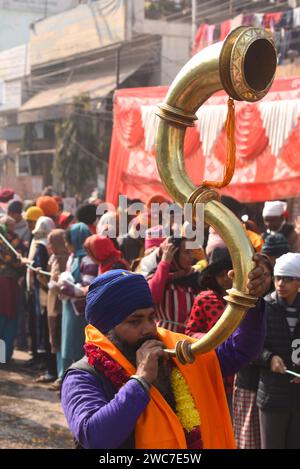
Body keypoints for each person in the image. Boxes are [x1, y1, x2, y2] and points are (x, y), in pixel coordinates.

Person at [61, 257, 269, 449]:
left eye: (151, 317)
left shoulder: (173, 349)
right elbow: (95, 437)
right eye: (135, 321)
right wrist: (141, 380)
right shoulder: (83, 375)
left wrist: (251, 301)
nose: (149, 329)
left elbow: (239, 351)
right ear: (105, 329)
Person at [256, 252, 300, 449]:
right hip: (272, 396)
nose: (281, 283)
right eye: (278, 278)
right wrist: (269, 358)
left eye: (288, 279)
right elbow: (248, 347)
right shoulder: (263, 307)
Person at [233, 254, 274, 449]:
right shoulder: (239, 304)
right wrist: (269, 358)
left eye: (265, 274)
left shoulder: (280, 305)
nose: (260, 279)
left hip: (277, 389)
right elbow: (242, 345)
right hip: (249, 383)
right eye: (257, 273)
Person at [58, 223, 98, 378]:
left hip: (81, 310)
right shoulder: (73, 257)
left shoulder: (89, 259)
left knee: (78, 345)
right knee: (68, 344)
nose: (67, 247)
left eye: (68, 243)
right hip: (69, 307)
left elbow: (89, 286)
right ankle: (66, 377)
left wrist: (68, 288)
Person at [0, 216, 26, 362]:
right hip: (7, 284)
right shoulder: (10, 244)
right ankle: (3, 356)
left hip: (8, 284)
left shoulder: (12, 241)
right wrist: (23, 261)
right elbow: (16, 261)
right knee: (7, 320)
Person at [47, 229, 69, 390]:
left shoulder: (66, 259)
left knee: (62, 340)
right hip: (53, 303)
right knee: (55, 338)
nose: (50, 245)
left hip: (63, 305)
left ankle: (63, 376)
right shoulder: (54, 258)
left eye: (52, 242)